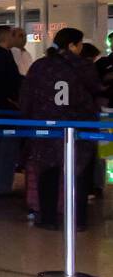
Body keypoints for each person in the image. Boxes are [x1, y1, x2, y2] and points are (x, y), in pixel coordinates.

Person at [19, 27, 102, 230]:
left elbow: (27, 94)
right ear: (72, 45)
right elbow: (96, 90)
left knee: (48, 171)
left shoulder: (41, 65)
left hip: (45, 126)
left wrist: (27, 117)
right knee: (79, 174)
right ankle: (78, 220)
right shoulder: (83, 66)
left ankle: (47, 218)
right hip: (78, 125)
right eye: (79, 44)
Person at [0, 24, 24, 196]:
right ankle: (2, 186)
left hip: (1, 108)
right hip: (4, 109)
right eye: (13, 34)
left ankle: (1, 184)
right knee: (5, 147)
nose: (16, 37)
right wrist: (14, 101)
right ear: (5, 37)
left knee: (3, 147)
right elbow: (6, 84)